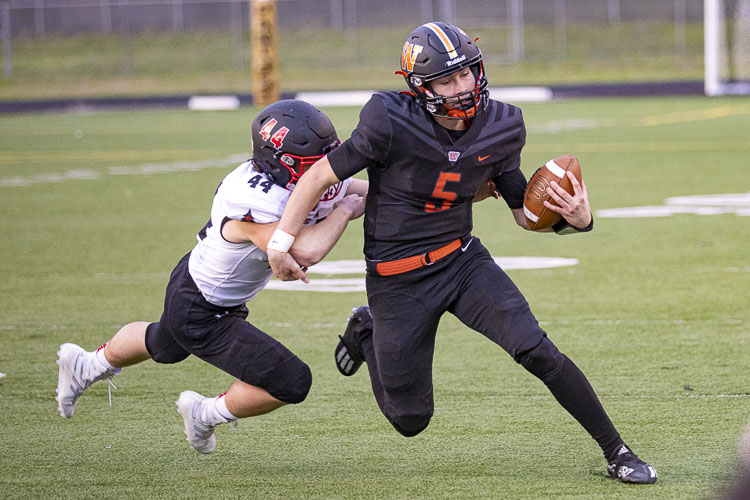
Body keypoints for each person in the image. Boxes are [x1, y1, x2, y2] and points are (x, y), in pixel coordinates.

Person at [267, 22, 657, 484]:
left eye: (467, 73)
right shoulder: (388, 120)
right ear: (419, 87)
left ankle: (618, 451)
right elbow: (317, 179)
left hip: (461, 261)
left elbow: (522, 213)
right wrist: (280, 243)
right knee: (409, 420)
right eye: (446, 80)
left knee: (536, 349)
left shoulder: (503, 124)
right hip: (397, 279)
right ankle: (366, 330)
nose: (462, 86)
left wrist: (574, 219)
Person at [55, 100, 367, 454]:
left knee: (163, 343)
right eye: (312, 165)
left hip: (196, 281)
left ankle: (86, 364)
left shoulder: (295, 176)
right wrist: (343, 211)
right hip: (202, 310)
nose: (322, 172)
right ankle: (205, 413)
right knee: (292, 381)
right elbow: (307, 250)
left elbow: (353, 188)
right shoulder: (252, 198)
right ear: (279, 162)